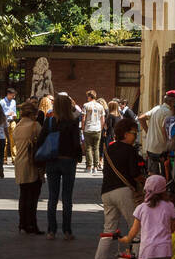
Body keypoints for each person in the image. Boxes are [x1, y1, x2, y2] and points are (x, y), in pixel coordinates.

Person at [93, 117, 144, 259]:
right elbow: (135, 174)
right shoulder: (130, 150)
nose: (135, 136)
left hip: (106, 192)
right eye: (134, 133)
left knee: (108, 230)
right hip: (124, 191)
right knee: (137, 230)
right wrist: (146, 180)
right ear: (125, 134)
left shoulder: (109, 149)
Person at [38, 92, 83, 240]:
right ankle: (67, 231)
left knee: (52, 197)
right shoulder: (73, 122)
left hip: (52, 161)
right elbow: (77, 143)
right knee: (67, 197)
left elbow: (40, 141)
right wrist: (78, 157)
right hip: (68, 161)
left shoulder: (49, 122)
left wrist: (40, 161)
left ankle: (51, 230)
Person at [12, 100, 44, 234]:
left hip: (19, 163)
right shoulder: (35, 126)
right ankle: (32, 224)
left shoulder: (17, 127)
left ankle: (22, 224)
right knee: (33, 197)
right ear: (33, 114)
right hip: (32, 164)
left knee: (23, 195)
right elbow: (42, 142)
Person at [143, 90, 175, 177]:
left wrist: (148, 132)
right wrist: (170, 145)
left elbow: (141, 118)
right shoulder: (168, 113)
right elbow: (164, 130)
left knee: (152, 174)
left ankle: (152, 189)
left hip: (150, 147)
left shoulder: (156, 109)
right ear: (172, 101)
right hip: (161, 149)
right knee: (164, 176)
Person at [83, 90, 106, 173]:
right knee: (96, 148)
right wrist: (101, 128)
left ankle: (89, 167)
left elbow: (83, 119)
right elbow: (102, 119)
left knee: (88, 148)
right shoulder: (100, 106)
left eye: (87, 96)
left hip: (88, 128)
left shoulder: (86, 105)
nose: (87, 98)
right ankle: (96, 167)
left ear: (89, 96)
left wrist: (83, 128)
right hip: (97, 129)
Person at [0, 87, 18, 164]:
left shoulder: (14, 102)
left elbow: (14, 111)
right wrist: (7, 114)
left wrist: (15, 115)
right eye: (13, 95)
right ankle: (4, 159)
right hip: (4, 122)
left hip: (12, 121)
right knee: (5, 141)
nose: (14, 97)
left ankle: (14, 159)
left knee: (13, 140)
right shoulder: (2, 102)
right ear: (8, 94)